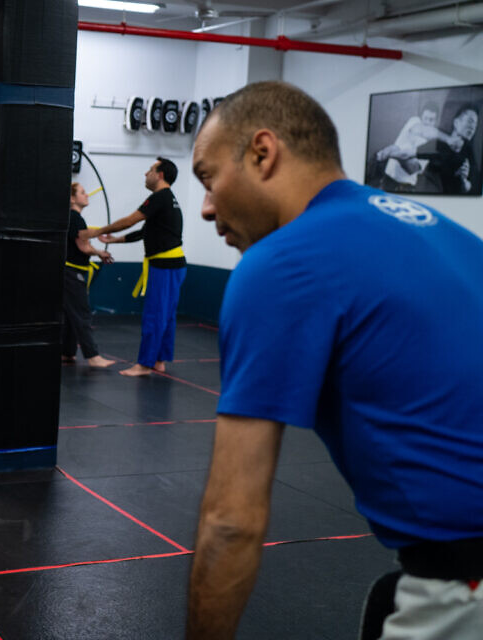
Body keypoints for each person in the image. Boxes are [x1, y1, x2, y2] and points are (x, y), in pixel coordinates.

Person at [187, 81, 483, 639]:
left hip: (466, 583)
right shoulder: (443, 232)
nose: (205, 207)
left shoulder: (283, 261)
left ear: (262, 152)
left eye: (208, 178)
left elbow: (232, 522)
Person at [86, 157, 186, 377]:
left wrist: (97, 231)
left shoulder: (159, 197)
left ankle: (144, 364)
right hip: (174, 265)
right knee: (166, 315)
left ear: (160, 175)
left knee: (155, 315)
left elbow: (131, 220)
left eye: (150, 170)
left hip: (164, 266)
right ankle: (159, 360)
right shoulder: (169, 199)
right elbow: (144, 233)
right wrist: (113, 240)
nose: (145, 174)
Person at [63, 183, 115, 368]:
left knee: (70, 315)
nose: (87, 196)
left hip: (67, 273)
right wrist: (101, 252)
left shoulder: (71, 218)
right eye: (83, 193)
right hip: (72, 273)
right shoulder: (76, 219)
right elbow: (83, 246)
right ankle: (93, 356)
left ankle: (67, 353)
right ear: (72, 198)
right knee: (82, 313)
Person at [372, 102, 462, 191]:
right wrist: (448, 139)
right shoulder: (415, 121)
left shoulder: (433, 144)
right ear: (421, 117)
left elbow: (412, 169)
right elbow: (423, 130)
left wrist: (395, 155)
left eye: (431, 120)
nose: (427, 122)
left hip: (407, 187)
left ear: (436, 121)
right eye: (425, 118)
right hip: (388, 179)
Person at [419, 105, 479, 195]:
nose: (473, 127)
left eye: (475, 124)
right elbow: (411, 153)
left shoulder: (469, 153)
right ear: (456, 123)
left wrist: (464, 181)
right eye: (470, 121)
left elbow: (472, 188)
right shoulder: (438, 144)